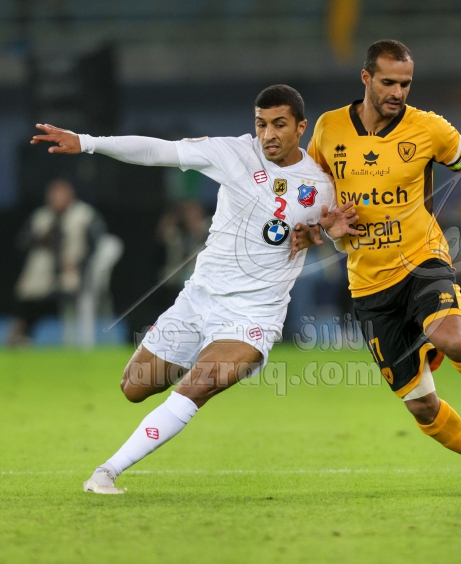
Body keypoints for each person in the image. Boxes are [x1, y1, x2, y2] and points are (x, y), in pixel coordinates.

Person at [31, 85, 359, 494]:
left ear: (300, 127)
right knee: (134, 386)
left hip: (253, 315)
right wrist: (87, 142)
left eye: (279, 124)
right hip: (199, 300)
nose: (268, 134)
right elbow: (159, 151)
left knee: (197, 386)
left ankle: (107, 472)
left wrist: (328, 236)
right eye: (261, 124)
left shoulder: (321, 186)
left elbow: (335, 238)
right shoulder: (233, 153)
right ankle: (205, 358)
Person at [293, 40, 461, 458]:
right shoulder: (329, 128)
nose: (397, 92)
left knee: (451, 338)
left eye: (405, 83)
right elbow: (309, 193)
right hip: (368, 282)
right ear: (366, 78)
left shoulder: (429, 128)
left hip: (421, 257)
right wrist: (321, 225)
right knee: (421, 406)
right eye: (388, 82)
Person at [9, 178, 106, 345]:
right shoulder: (41, 216)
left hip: (73, 271)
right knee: (28, 295)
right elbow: (21, 243)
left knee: (67, 293)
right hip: (44, 273)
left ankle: (79, 341)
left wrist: (79, 264)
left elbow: (97, 245)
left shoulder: (84, 215)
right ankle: (22, 334)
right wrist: (39, 239)